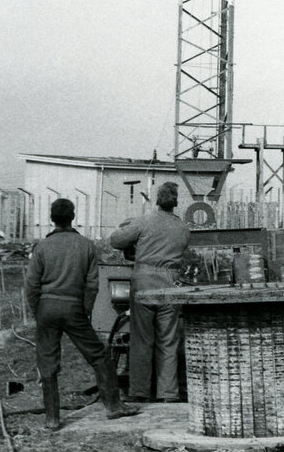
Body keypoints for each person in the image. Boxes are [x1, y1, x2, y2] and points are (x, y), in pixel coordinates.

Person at [25, 197, 139, 431]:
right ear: (73, 217)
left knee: (47, 363)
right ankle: (113, 406)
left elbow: (31, 285)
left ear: (51, 219)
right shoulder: (86, 245)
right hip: (73, 307)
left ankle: (52, 419)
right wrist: (84, 311)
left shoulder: (41, 247)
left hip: (46, 307)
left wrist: (38, 311)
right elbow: (92, 285)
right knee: (98, 356)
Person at [109, 181, 190, 403]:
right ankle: (168, 393)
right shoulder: (183, 227)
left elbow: (115, 240)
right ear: (176, 202)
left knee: (142, 339)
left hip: (144, 281)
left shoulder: (144, 221)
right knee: (168, 340)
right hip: (170, 283)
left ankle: (139, 391)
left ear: (157, 200)